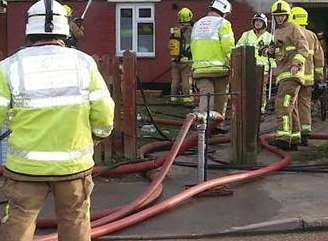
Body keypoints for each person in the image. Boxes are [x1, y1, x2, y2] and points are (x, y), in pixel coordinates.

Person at [0, 0, 115, 241]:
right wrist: (98, 135)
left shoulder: (8, 67)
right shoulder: (84, 63)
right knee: (75, 220)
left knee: (19, 220)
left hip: (24, 169)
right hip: (73, 168)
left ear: (29, 29)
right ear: (64, 30)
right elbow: (104, 111)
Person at [267, 0, 309, 150]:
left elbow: (303, 49)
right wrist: (270, 51)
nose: (279, 18)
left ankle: (284, 138)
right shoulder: (277, 32)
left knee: (283, 105)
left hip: (292, 75)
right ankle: (295, 138)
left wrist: (296, 64)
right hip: (283, 74)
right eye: (276, 16)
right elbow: (280, 52)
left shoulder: (294, 28)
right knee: (291, 107)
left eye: (282, 15)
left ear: (287, 15)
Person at [191, 0, 235, 118]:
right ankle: (216, 125)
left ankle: (202, 125)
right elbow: (229, 47)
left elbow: (193, 46)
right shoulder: (223, 23)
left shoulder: (197, 24)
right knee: (220, 99)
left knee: (206, 97)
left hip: (199, 70)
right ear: (224, 11)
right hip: (220, 69)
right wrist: (234, 64)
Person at [290, 6, 325, 146]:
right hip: (308, 78)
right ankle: (305, 133)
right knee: (304, 104)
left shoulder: (291, 34)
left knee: (291, 105)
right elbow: (319, 58)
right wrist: (319, 77)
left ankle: (294, 134)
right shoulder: (312, 36)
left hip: (293, 76)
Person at [236, 12, 276, 113]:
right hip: (248, 66)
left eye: (260, 21)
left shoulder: (270, 37)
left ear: (265, 23)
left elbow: (273, 54)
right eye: (256, 21)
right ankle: (248, 108)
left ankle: (261, 108)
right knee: (248, 89)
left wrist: (274, 66)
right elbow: (238, 48)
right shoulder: (246, 35)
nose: (258, 23)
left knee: (260, 89)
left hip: (263, 68)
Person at [169, 7, 194, 104]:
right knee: (186, 81)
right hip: (186, 60)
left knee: (175, 80)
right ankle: (187, 100)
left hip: (174, 60)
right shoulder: (191, 31)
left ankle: (173, 99)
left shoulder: (174, 30)